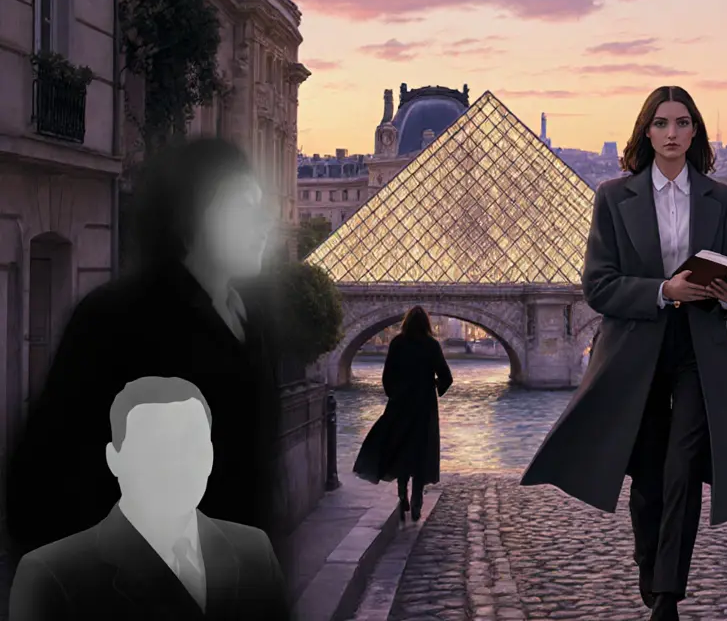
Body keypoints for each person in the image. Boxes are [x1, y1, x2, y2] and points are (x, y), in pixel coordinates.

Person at [520, 86, 727, 621]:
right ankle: (651, 568)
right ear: (645, 132)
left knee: (683, 468)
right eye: (661, 123)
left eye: (682, 122)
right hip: (637, 350)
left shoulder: (722, 199)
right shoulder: (611, 196)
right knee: (650, 478)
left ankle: (668, 595)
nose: (671, 133)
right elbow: (598, 287)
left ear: (695, 132)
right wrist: (662, 290)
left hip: (699, 348)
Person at [6, 137, 284, 558]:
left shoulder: (253, 323)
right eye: (244, 206)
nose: (266, 221)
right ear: (191, 215)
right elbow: (45, 487)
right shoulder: (117, 321)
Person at [9, 376, 290, 620]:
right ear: (113, 459)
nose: (176, 462)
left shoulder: (256, 552)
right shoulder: (51, 577)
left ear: (211, 457)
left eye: (191, 443)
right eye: (155, 446)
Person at [353, 306, 454, 521]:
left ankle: (402, 495)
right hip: (424, 407)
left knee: (400, 448)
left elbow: (387, 376)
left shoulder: (397, 343)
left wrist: (394, 395)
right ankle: (417, 500)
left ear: (406, 322)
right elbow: (447, 377)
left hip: (400, 405)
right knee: (420, 452)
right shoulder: (431, 345)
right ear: (427, 324)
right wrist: (434, 385)